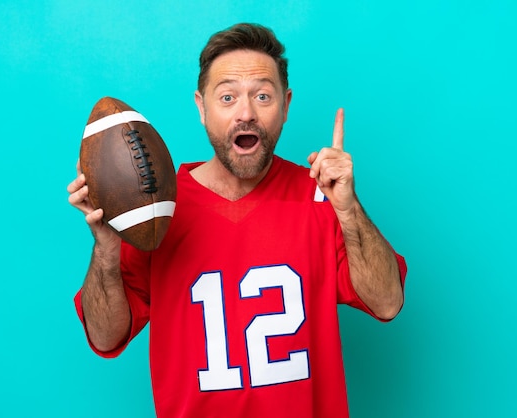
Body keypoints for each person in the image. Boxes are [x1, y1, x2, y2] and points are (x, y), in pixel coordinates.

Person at [68, 22, 407, 418]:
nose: (246, 113)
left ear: (286, 105)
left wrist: (348, 211)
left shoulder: (322, 195)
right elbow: (106, 338)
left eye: (263, 95)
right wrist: (107, 247)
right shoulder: (158, 210)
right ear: (202, 107)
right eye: (227, 97)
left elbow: (387, 304)